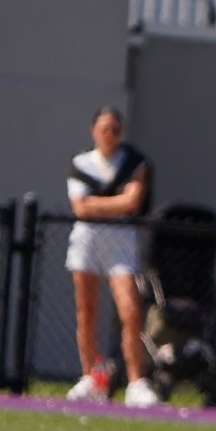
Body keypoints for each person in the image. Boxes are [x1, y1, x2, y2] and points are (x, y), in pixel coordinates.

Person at [65, 107, 157, 408]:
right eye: (105, 129)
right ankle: (90, 377)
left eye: (116, 129)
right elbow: (80, 209)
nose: (111, 135)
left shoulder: (133, 161)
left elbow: (133, 201)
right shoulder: (80, 163)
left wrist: (99, 203)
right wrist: (114, 202)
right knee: (86, 311)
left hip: (121, 239)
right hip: (87, 239)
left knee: (130, 310)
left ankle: (136, 382)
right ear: (94, 130)